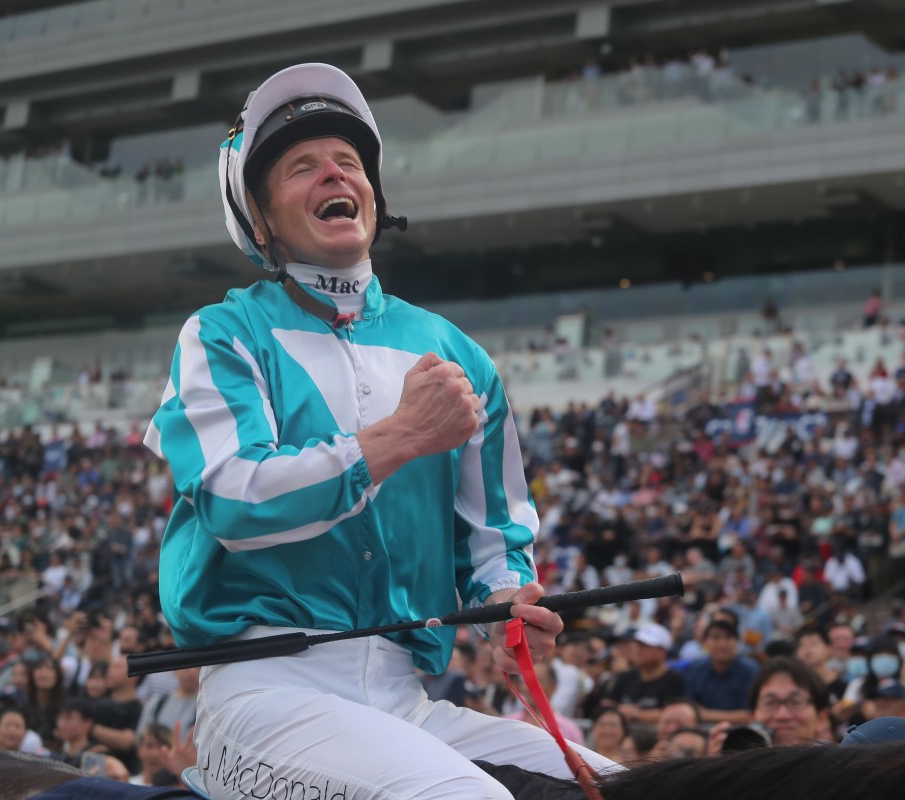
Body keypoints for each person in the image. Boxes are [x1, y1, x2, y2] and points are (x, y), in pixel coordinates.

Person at [144, 62, 614, 799]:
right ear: (261, 221)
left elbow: (494, 535)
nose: (335, 172)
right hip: (261, 695)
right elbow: (235, 500)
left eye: (349, 161)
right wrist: (398, 438)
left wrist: (506, 602)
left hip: (406, 699)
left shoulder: (457, 351)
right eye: (303, 166)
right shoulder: (221, 333)